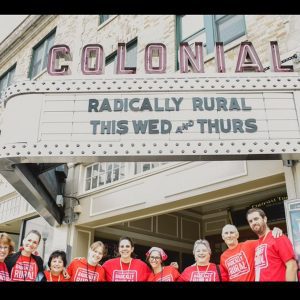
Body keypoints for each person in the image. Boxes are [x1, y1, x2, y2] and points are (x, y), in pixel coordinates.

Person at [246, 207, 298, 281]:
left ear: (265, 219)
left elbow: (292, 266)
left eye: (256, 219)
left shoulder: (277, 237)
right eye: (250, 221)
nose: (253, 222)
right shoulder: (256, 244)